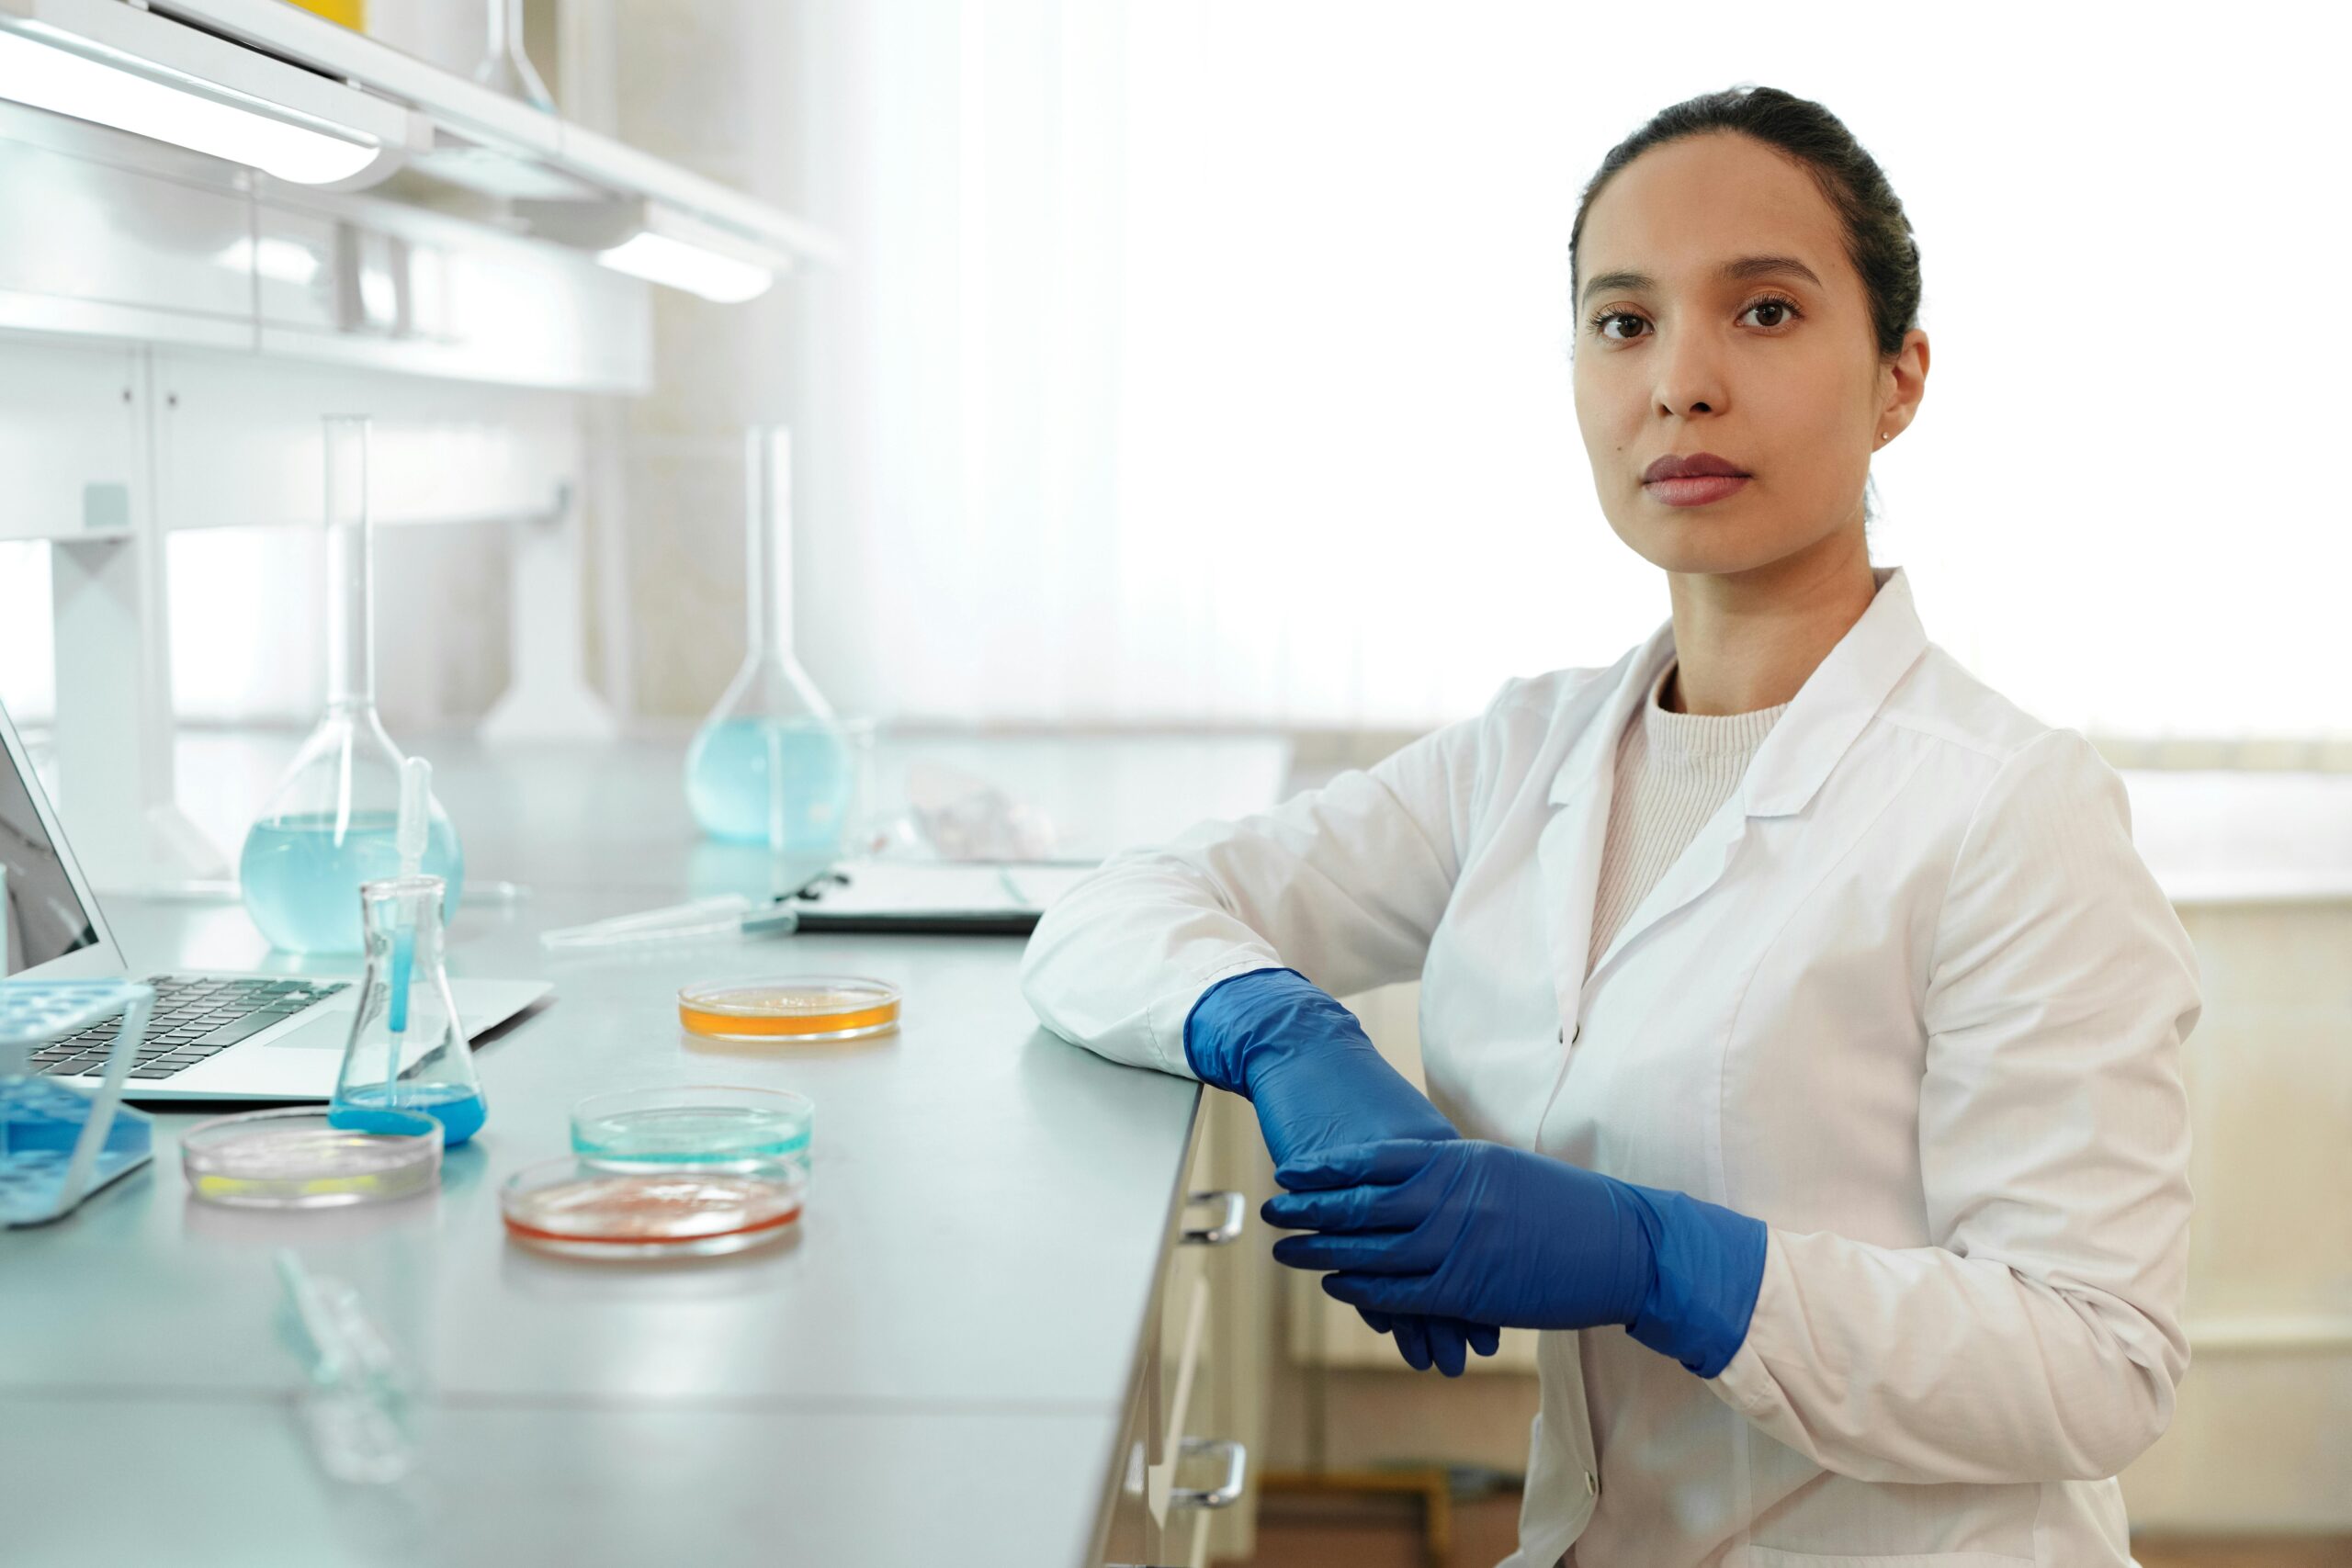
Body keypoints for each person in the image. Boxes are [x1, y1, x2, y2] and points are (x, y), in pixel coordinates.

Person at [1020, 83, 2198, 1567]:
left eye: (1764, 313)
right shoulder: (1531, 751)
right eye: (1624, 322)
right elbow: (1108, 914)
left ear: (1899, 377)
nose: (1681, 384)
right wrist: (1283, 1035)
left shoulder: (2011, 809)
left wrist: (1666, 1262)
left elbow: (2100, 1359)